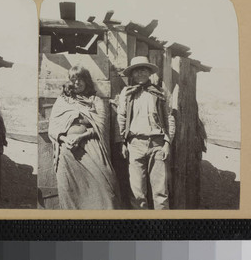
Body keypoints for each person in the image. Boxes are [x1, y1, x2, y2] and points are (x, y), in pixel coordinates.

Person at [48, 65, 120, 209]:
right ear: (70, 81)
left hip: (92, 148)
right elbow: (53, 128)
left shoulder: (96, 101)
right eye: (74, 79)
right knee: (70, 192)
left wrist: (82, 136)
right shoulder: (62, 101)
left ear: (87, 81)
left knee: (106, 188)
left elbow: (101, 127)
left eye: (81, 79)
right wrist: (64, 139)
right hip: (68, 152)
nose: (77, 83)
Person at [117, 56, 176, 209]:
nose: (140, 74)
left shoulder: (160, 92)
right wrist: (123, 142)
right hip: (135, 145)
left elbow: (169, 118)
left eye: (143, 70)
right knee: (137, 194)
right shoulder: (127, 93)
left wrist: (167, 143)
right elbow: (121, 118)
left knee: (161, 193)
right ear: (132, 74)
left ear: (149, 72)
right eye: (136, 71)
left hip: (157, 145)